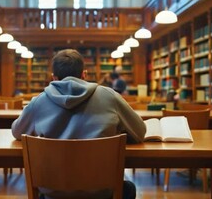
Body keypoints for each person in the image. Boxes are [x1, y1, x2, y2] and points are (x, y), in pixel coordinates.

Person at [12, 49, 146, 199]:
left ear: (53, 78)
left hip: (53, 193)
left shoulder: (38, 102)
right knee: (128, 188)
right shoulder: (110, 97)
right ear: (84, 74)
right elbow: (139, 132)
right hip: (101, 192)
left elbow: (17, 132)